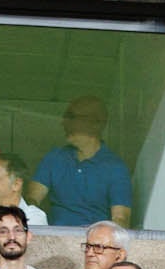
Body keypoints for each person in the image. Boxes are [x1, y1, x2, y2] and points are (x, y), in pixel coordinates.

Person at [26, 97, 132, 229]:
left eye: (72, 117)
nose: (64, 123)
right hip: (55, 239)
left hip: (94, 244)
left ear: (97, 124)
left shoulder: (116, 168)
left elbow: (120, 219)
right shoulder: (54, 158)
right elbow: (32, 201)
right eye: (66, 117)